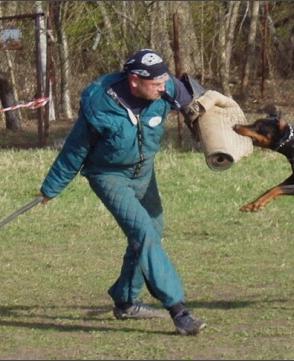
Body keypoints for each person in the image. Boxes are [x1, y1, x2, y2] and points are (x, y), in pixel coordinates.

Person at [38, 49, 206, 336]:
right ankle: (178, 310)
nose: (162, 87)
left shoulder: (168, 88)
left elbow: (202, 103)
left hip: (144, 172)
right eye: (155, 83)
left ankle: (125, 301)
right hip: (108, 175)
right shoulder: (100, 103)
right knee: (144, 234)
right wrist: (51, 188)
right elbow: (75, 149)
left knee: (150, 231)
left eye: (165, 80)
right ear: (134, 80)